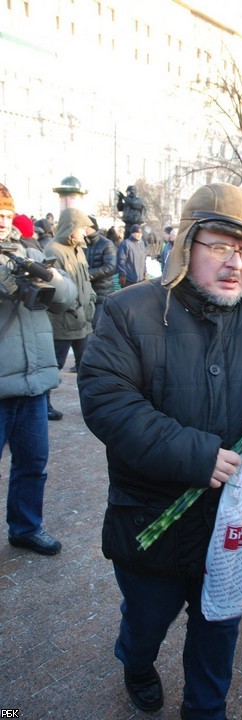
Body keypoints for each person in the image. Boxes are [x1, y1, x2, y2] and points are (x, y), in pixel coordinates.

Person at [77, 182, 242, 719]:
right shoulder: (130, 311)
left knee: (217, 637)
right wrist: (196, 455)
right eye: (220, 246)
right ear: (188, 244)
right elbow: (107, 401)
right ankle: (135, 663)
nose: (236, 262)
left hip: (231, 526)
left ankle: (204, 710)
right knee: (145, 623)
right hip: (151, 517)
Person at [0, 183, 76, 554]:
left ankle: (26, 527)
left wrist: (48, 278)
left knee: (33, 464)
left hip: (33, 383)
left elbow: (67, 299)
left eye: (4, 214)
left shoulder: (29, 251)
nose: (1, 221)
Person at [44, 208, 97, 418]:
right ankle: (44, 404)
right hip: (63, 321)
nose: (85, 232)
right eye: (82, 228)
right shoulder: (53, 250)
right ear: (71, 228)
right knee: (53, 364)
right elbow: (55, 287)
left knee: (88, 365)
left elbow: (85, 281)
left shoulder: (78, 250)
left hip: (82, 321)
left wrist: (91, 299)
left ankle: (91, 404)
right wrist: (74, 308)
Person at [83, 215, 117, 329]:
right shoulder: (82, 244)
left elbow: (110, 267)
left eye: (84, 226)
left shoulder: (106, 244)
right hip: (86, 293)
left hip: (102, 292)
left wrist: (86, 274)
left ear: (91, 227)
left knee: (97, 326)